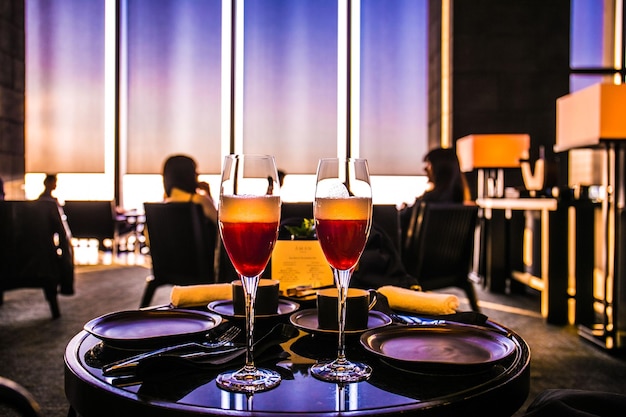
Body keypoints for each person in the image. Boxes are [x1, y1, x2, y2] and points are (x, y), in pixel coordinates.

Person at [399, 147, 471, 240]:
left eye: (429, 164)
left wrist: (405, 210)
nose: (424, 169)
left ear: (440, 169)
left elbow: (400, 222)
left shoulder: (428, 202)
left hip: (415, 254)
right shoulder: (459, 203)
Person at [162, 154, 217, 224]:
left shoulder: (162, 207)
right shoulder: (200, 201)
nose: (198, 174)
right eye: (195, 171)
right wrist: (209, 197)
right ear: (188, 175)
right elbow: (219, 228)